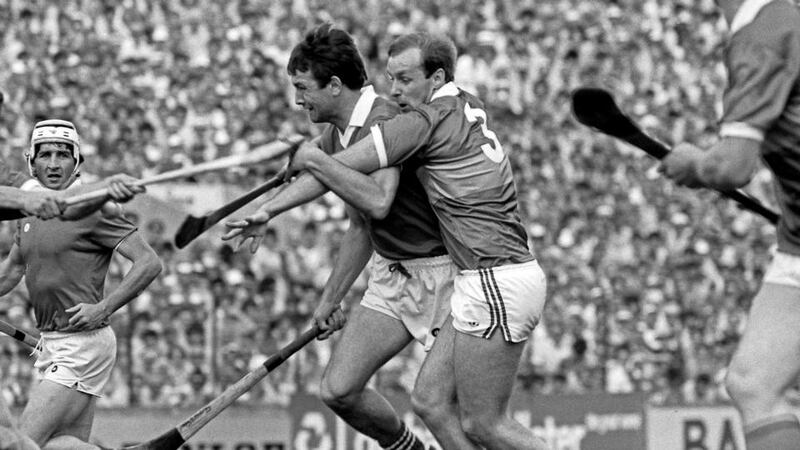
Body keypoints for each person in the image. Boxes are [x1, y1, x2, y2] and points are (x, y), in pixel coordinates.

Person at [225, 32, 547, 450]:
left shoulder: (413, 122)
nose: (394, 90)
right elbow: (354, 213)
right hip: (411, 272)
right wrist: (272, 208)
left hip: (466, 275)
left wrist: (310, 163)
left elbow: (373, 199)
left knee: (476, 420)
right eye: (392, 78)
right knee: (374, 394)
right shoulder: (459, 106)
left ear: (436, 78)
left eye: (404, 79)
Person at [243, 24, 455, 450]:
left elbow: (377, 201)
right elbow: (361, 227)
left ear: (335, 85)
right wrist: (329, 297)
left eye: (303, 88)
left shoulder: (384, 119)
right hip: (393, 274)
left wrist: (312, 162)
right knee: (339, 390)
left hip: (443, 277)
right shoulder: (335, 134)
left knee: (450, 412)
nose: (298, 99)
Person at [661, 1, 800, 449]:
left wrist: (694, 164)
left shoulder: (765, 33)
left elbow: (732, 166)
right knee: (753, 382)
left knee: (756, 385)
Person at [0, 119, 163, 450]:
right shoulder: (28, 209)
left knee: (19, 444)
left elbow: (149, 262)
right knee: (59, 446)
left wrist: (104, 307)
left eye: (63, 155)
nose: (53, 164)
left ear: (77, 162)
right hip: (54, 342)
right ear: (31, 161)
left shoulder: (94, 210)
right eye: (45, 155)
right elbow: (11, 271)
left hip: (81, 344)